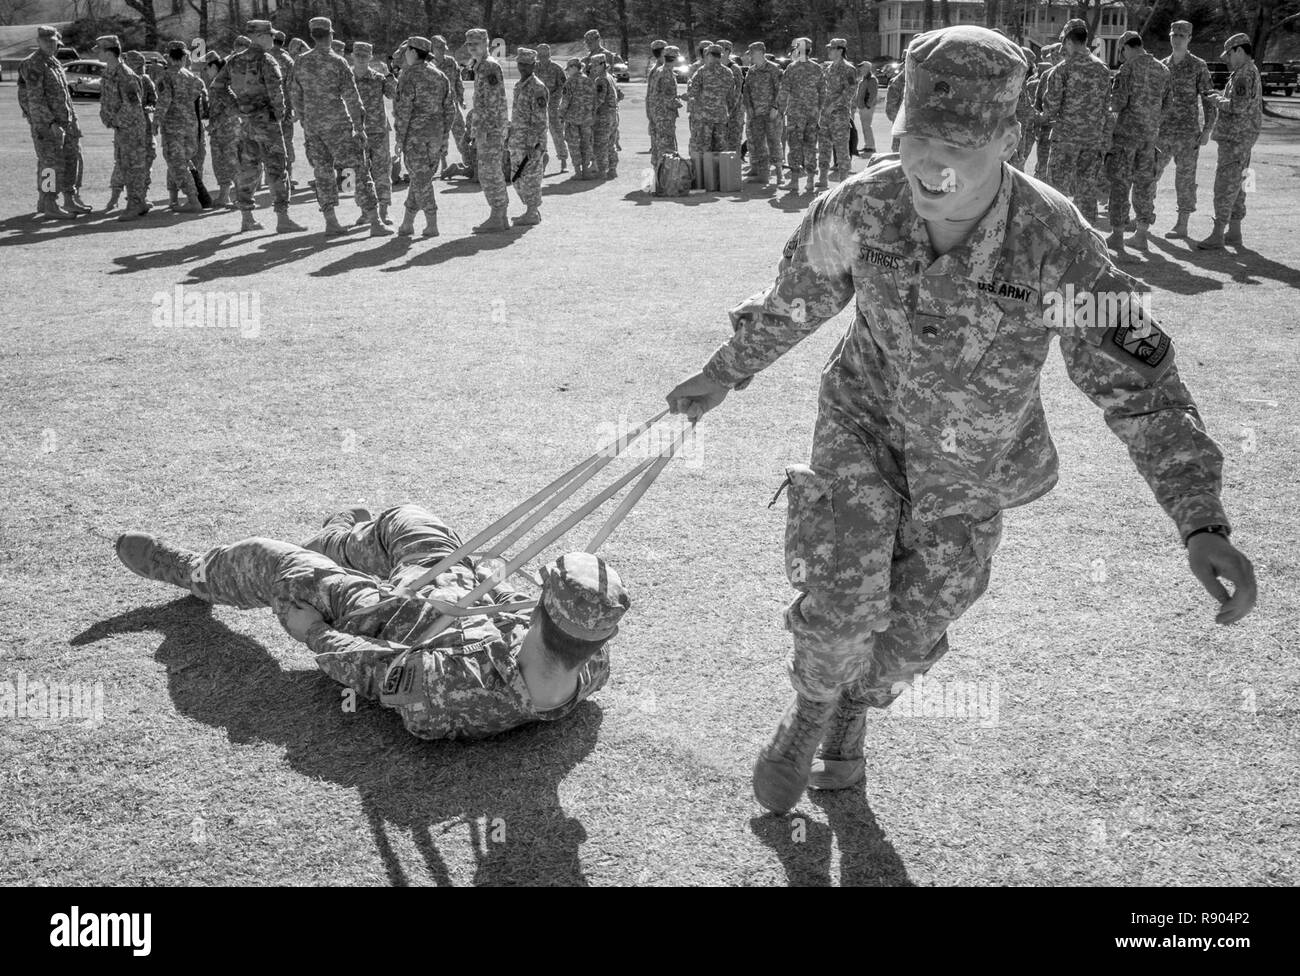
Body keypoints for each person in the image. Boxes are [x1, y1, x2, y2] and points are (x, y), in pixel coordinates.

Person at [663, 24, 1256, 816]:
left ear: (1010, 137)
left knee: (905, 641)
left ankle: (849, 715)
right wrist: (719, 375)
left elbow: (1139, 385)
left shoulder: (1057, 243)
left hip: (971, 469)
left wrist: (1200, 521)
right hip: (862, 430)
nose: (934, 169)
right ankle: (808, 713)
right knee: (843, 606)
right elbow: (795, 300)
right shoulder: (860, 206)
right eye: (919, 142)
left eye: (962, 150)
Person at [113, 505, 629, 741]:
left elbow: (374, 673)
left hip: (381, 614)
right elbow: (508, 598)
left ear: (542, 612)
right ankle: (338, 537)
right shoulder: (593, 659)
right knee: (411, 518)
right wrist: (477, 576)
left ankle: (187, 571)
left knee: (275, 563)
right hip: (451, 585)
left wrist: (312, 632)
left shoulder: (458, 692)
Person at [291, 16, 390, 237]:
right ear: (330, 35)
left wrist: (306, 121)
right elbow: (352, 97)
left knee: (322, 173)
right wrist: (359, 127)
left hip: (313, 128)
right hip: (338, 126)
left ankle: (331, 221)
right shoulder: (337, 62)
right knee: (359, 171)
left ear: (312, 35)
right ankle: (375, 222)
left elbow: (295, 96)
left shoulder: (300, 61)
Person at [210, 20, 302, 233]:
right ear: (260, 37)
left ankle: (247, 218)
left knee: (248, 169)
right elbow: (276, 94)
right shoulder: (266, 60)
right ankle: (283, 219)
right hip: (267, 123)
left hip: (246, 123)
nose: (272, 38)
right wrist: (279, 115)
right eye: (270, 35)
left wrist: (237, 108)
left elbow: (217, 87)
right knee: (277, 168)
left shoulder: (234, 60)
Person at [1196, 33, 1262, 251]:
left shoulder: (1244, 74)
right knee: (1239, 186)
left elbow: (1238, 106)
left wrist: (1216, 100)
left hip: (1235, 139)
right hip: (1242, 139)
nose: (1227, 59)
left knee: (1225, 185)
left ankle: (1218, 234)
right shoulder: (1247, 72)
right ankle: (1234, 233)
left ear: (1239, 51)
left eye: (1229, 54)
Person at [1105, 31, 1170, 253]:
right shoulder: (1163, 70)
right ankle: (1141, 234)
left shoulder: (1128, 69)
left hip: (1126, 139)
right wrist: (1151, 122)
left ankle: (1117, 235)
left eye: (1122, 51)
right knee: (1145, 185)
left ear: (1125, 48)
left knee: (1121, 185)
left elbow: (1118, 103)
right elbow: (1168, 105)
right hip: (1150, 138)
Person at [1043, 19, 1110, 223]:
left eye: (1064, 42)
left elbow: (1051, 107)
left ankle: (1057, 238)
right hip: (1092, 141)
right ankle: (1087, 239)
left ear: (1069, 41)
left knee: (1056, 191)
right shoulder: (1103, 70)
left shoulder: (1062, 70)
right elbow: (1106, 107)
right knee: (1087, 190)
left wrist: (1040, 116)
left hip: (1066, 140)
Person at [1155, 21, 1217, 240]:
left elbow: (1209, 99)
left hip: (1187, 132)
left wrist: (1207, 128)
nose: (1177, 38)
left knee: (1185, 179)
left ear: (1189, 38)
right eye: (1174, 34)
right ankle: (1145, 215)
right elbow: (1155, 99)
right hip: (1162, 132)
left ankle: (1182, 224)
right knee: (1150, 173)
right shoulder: (1162, 65)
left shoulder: (1198, 65)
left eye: (1182, 35)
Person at [19, 25, 89, 219]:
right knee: (50, 164)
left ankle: (69, 199)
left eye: (54, 42)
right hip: (47, 125)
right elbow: (35, 98)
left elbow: (65, 96)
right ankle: (49, 202)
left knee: (71, 159)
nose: (51, 45)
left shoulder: (55, 62)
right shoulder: (33, 64)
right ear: (38, 42)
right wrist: (50, 123)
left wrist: (73, 121)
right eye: (47, 41)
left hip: (66, 123)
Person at [394, 35, 454, 238]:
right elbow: (450, 109)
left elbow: (404, 111)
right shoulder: (440, 75)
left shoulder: (408, 75)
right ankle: (407, 223)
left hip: (415, 137)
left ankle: (432, 223)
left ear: (412, 52)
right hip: (435, 136)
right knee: (421, 178)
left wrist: (399, 140)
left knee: (421, 180)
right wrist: (445, 136)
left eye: (406, 51)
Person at [95, 35, 150, 222]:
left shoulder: (126, 75)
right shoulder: (109, 73)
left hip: (131, 128)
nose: (97, 52)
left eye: (100, 49)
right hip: (121, 129)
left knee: (133, 166)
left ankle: (135, 204)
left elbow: (132, 107)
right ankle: (138, 202)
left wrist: (115, 120)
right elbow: (106, 101)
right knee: (124, 164)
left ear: (110, 52)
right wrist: (107, 118)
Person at [465, 27, 510, 232]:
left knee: (490, 172)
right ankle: (499, 215)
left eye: (475, 43)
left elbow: (492, 103)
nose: (471, 47)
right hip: (488, 128)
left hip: (490, 129)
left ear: (485, 43)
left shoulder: (489, 67)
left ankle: (498, 215)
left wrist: (483, 130)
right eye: (469, 44)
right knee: (487, 171)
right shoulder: (481, 66)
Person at [156, 40, 207, 213]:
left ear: (168, 57)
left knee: (177, 163)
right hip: (190, 126)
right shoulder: (192, 76)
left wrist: (155, 121)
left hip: (173, 127)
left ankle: (193, 200)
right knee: (183, 161)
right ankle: (184, 199)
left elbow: (164, 100)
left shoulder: (167, 76)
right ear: (185, 56)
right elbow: (200, 96)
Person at [351, 42, 398, 225]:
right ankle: (365, 211)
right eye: (358, 55)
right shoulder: (346, 78)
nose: (361, 58)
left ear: (370, 57)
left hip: (378, 131)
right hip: (356, 132)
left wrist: (389, 74)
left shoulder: (378, 78)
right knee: (360, 173)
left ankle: (384, 210)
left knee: (381, 172)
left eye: (365, 55)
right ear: (352, 56)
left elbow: (395, 94)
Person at [779, 37, 825, 193]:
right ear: (810, 50)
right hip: (812, 115)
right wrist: (817, 110)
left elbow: (784, 91)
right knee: (811, 147)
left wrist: (780, 109)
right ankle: (811, 181)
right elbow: (823, 92)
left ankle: (794, 181)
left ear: (798, 50)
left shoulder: (792, 68)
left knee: (794, 147)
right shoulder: (817, 68)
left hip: (795, 115)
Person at [509, 48, 548, 224]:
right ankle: (531, 210)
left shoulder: (537, 87)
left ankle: (532, 212)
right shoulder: (520, 85)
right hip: (518, 140)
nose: (523, 67)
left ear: (534, 65)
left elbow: (540, 119)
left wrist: (532, 144)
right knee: (517, 177)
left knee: (530, 177)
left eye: (527, 64)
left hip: (531, 143)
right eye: (520, 64)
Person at [200, 51, 238, 207]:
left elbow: (232, 108)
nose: (205, 72)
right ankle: (224, 196)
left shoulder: (220, 86)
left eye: (207, 68)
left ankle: (241, 197)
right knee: (220, 164)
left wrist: (213, 125)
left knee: (231, 164)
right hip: (221, 132)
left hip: (227, 132)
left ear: (214, 66)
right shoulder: (216, 84)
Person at [819, 38, 857, 186]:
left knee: (841, 147)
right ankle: (822, 178)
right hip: (825, 115)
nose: (829, 51)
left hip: (839, 115)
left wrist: (833, 105)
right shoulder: (828, 69)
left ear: (840, 50)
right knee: (823, 146)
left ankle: (843, 180)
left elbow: (850, 91)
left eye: (832, 49)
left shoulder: (848, 69)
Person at [742, 41, 782, 185]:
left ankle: (779, 173)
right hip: (756, 114)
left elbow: (780, 90)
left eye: (752, 53)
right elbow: (746, 91)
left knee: (774, 142)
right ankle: (763, 174)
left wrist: (775, 107)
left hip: (770, 113)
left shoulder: (773, 69)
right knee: (759, 143)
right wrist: (749, 108)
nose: (750, 56)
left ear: (760, 52)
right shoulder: (751, 71)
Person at [430, 35, 469, 178]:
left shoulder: (451, 62)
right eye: (438, 48)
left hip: (452, 104)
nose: (441, 51)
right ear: (432, 48)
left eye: (442, 48)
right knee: (438, 136)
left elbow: (458, 81)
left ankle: (468, 161)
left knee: (461, 133)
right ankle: (443, 164)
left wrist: (461, 98)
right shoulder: (427, 64)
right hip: (435, 107)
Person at [559, 56, 596, 180]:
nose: (567, 71)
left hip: (572, 119)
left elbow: (565, 101)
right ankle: (586, 170)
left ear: (575, 67)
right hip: (586, 119)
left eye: (568, 68)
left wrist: (560, 115)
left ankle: (578, 171)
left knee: (574, 144)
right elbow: (594, 100)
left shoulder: (569, 82)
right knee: (586, 143)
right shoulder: (589, 81)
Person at [269, 29, 297, 187]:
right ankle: (288, 178)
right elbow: (293, 87)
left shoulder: (265, 57)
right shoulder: (287, 60)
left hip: (267, 108)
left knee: (269, 141)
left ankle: (271, 178)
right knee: (287, 141)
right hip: (285, 108)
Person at [647, 44, 683, 167]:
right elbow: (667, 98)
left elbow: (659, 93)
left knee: (658, 146)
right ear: (674, 58)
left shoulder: (659, 70)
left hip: (658, 114)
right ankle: (665, 177)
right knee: (666, 147)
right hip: (665, 116)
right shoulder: (667, 73)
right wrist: (679, 102)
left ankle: (658, 177)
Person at [535, 43, 569, 172]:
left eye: (545, 55)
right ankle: (541, 162)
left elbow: (563, 87)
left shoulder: (556, 68)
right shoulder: (534, 68)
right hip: (538, 105)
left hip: (552, 105)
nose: (542, 57)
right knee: (539, 134)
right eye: (540, 55)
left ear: (549, 54)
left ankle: (563, 160)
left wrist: (552, 99)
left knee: (557, 132)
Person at [590, 55, 620, 178]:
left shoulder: (601, 80)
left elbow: (599, 99)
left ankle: (602, 171)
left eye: (595, 65)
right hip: (613, 114)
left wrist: (590, 112)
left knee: (600, 144)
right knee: (610, 143)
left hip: (604, 115)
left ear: (602, 64)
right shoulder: (610, 77)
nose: (593, 68)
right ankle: (612, 169)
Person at [718, 40, 746, 151]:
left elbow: (738, 92)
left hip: (734, 114)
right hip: (720, 113)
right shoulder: (716, 67)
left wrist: (728, 110)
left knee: (733, 144)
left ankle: (734, 168)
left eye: (721, 49)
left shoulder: (735, 69)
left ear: (727, 51)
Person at [854, 61, 878, 159]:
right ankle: (867, 145)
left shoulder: (871, 79)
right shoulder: (864, 79)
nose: (860, 69)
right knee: (865, 127)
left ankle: (871, 146)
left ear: (867, 68)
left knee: (867, 126)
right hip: (862, 106)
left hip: (866, 107)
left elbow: (873, 94)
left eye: (862, 67)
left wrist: (867, 105)